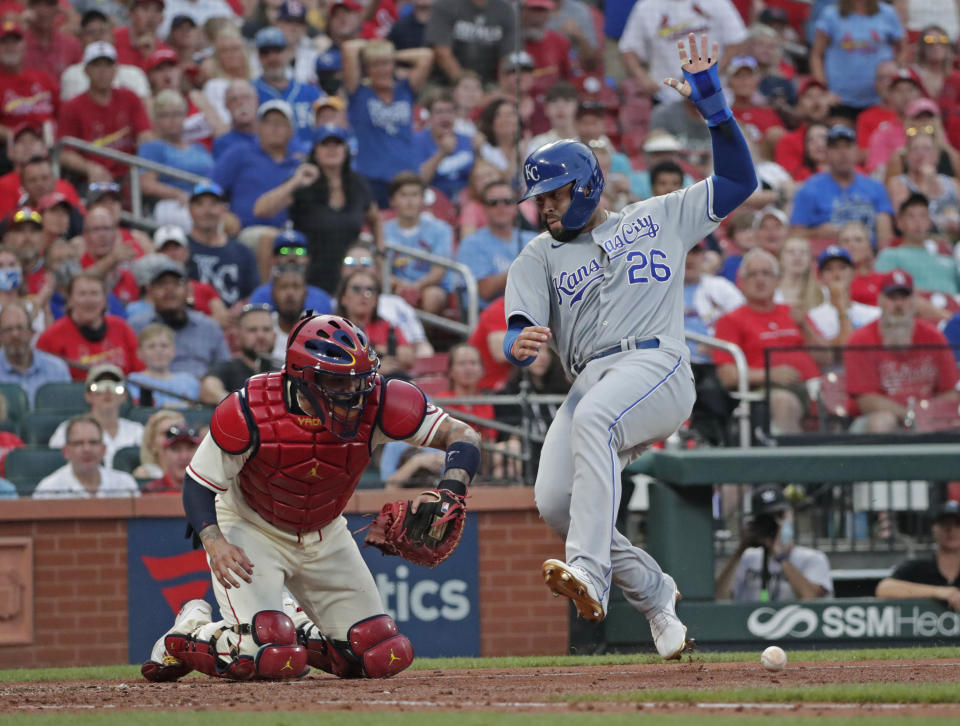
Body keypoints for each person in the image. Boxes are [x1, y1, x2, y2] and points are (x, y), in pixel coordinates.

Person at [502, 34, 757, 657]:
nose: (546, 209)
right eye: (540, 199)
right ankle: (655, 594)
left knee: (594, 422)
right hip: (591, 377)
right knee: (556, 502)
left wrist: (714, 108)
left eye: (556, 194)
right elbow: (516, 328)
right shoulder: (536, 257)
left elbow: (738, 180)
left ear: (587, 185)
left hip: (657, 362)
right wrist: (519, 343)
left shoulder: (657, 216)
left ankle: (589, 570)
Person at [140, 312, 482, 682]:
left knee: (380, 652)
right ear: (303, 378)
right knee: (265, 654)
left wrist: (452, 492)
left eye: (359, 381)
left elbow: (463, 434)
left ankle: (299, 630)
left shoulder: (380, 400)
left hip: (325, 531)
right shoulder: (250, 407)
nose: (352, 393)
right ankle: (189, 630)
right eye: (337, 382)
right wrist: (214, 541)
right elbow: (198, 483)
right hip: (251, 526)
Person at [256, 124, 381, 295]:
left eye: (337, 144)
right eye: (325, 144)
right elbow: (261, 210)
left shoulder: (357, 184)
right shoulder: (304, 182)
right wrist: (296, 181)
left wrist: (380, 253)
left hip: (348, 277)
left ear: (345, 149)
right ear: (315, 150)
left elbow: (375, 218)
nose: (331, 149)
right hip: (310, 276)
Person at [713, 249, 821, 435]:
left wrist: (805, 327)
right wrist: (769, 375)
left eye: (766, 273)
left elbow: (826, 358)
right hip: (767, 393)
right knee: (785, 403)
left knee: (839, 400)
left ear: (777, 280)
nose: (760, 279)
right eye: (752, 274)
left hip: (813, 387)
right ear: (741, 283)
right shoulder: (730, 320)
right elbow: (728, 376)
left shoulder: (793, 313)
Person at [843, 269, 959, 433]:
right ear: (880, 300)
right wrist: (910, 416)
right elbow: (866, 400)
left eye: (904, 297)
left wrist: (925, 415)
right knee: (882, 421)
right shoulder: (860, 340)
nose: (898, 304)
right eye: (892, 298)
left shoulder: (933, 337)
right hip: (874, 420)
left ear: (913, 301)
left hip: (929, 420)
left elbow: (950, 392)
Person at [342, 38, 433, 207]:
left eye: (386, 64)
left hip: (406, 178)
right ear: (367, 69)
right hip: (371, 178)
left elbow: (426, 56)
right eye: (375, 65)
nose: (382, 70)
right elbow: (349, 47)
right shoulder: (358, 94)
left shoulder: (405, 90)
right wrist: (375, 49)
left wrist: (388, 54)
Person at [715, 485, 834, 601]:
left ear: (790, 515)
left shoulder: (813, 558)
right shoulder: (747, 558)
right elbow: (720, 597)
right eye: (767, 518)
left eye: (780, 515)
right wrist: (739, 551)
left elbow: (810, 597)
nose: (776, 523)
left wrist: (782, 558)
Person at [58, 42, 153, 183]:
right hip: (91, 178)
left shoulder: (130, 98)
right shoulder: (73, 107)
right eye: (96, 65)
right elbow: (65, 153)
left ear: (116, 70)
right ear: (86, 70)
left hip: (129, 174)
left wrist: (144, 160)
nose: (102, 71)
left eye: (108, 65)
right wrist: (89, 167)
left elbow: (145, 135)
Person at [619, 0, 747, 105]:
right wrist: (642, 76)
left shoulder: (716, 2)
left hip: (715, 94)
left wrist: (711, 73)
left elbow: (736, 41)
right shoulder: (646, 7)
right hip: (667, 96)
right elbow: (628, 49)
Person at [789, 124, 894, 248]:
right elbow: (794, 235)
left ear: (856, 151)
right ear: (826, 153)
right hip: (827, 260)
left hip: (868, 256)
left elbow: (885, 237)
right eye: (836, 147)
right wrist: (817, 233)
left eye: (848, 146)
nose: (842, 153)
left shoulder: (876, 188)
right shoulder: (809, 190)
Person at [128, 256, 230, 379]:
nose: (169, 290)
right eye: (161, 284)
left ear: (188, 290)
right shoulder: (136, 326)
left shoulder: (209, 327)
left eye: (177, 283)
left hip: (200, 393)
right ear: (150, 291)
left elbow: (225, 370)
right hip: (151, 391)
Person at [213, 99, 303, 237]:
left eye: (281, 123)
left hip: (290, 236)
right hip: (246, 232)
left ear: (291, 130)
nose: (274, 128)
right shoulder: (240, 153)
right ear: (258, 127)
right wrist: (223, 213)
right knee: (267, 238)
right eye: (268, 122)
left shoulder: (298, 164)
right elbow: (210, 187)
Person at [35, 273, 143, 380]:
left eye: (94, 294)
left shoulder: (121, 328)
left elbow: (140, 371)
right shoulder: (51, 336)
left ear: (105, 300)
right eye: (82, 294)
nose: (89, 300)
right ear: (70, 300)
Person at [809, 0, 905, 112]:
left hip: (879, 101)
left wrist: (893, 74)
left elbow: (902, 49)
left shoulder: (888, 13)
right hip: (839, 99)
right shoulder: (831, 14)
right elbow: (816, 55)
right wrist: (823, 90)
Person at [48, 364, 146, 468]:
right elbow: (56, 466)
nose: (107, 391)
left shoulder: (138, 431)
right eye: (99, 387)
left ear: (124, 396)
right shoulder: (67, 430)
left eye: (115, 387)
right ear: (88, 395)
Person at [383, 172, 453, 315]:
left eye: (415, 195)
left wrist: (415, 286)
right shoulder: (382, 231)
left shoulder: (441, 229)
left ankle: (421, 337)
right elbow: (378, 269)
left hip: (430, 287)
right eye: (403, 195)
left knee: (432, 296)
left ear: (422, 200)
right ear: (392, 201)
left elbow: (439, 270)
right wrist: (399, 285)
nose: (409, 201)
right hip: (393, 286)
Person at [457, 180, 535, 310]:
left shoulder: (532, 239)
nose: (500, 207)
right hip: (490, 314)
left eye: (507, 201)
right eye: (493, 203)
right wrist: (523, 267)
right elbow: (485, 291)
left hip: (532, 312)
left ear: (516, 206)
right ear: (484, 208)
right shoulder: (472, 244)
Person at [875, 499, 960, 610]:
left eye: (958, 524)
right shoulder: (919, 567)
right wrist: (939, 592)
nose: (951, 530)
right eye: (945, 524)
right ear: (934, 529)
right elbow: (884, 589)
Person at [186, 182, 260, 307]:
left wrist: (241, 308)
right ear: (190, 209)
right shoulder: (179, 247)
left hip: (236, 322)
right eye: (199, 204)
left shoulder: (242, 252)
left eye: (213, 204)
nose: (207, 211)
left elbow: (253, 293)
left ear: (224, 209)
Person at [33, 414, 140, 499]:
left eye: (93, 442)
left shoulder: (125, 484)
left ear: (103, 450)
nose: (87, 449)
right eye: (78, 443)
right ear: (66, 452)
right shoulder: (48, 490)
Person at [251, 26, 320, 151]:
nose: (272, 58)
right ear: (258, 57)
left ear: (288, 52)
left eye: (277, 50)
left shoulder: (310, 91)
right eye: (265, 52)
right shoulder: (249, 92)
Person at [335, 269, 413, 379]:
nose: (364, 295)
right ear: (343, 298)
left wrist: (374, 353)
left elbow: (407, 358)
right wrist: (376, 364)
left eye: (370, 290)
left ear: (376, 300)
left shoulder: (387, 326)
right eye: (356, 289)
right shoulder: (334, 327)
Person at [199, 303, 277, 405]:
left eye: (266, 329)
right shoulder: (226, 368)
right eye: (252, 330)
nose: (260, 335)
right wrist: (239, 404)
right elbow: (208, 389)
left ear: (275, 336)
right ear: (238, 337)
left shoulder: (284, 371)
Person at [425, 0, 516, 85]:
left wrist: (502, 91)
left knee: (507, 101)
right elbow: (442, 52)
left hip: (488, 84)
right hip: (444, 83)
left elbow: (506, 58)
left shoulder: (505, 10)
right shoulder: (446, 4)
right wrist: (466, 86)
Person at [807, 245, 880, 346]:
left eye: (842, 267)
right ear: (820, 277)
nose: (836, 274)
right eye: (829, 269)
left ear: (853, 273)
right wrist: (841, 306)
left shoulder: (874, 314)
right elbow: (840, 349)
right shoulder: (812, 317)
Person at [0, 300, 70, 405]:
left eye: (20, 328)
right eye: (8, 329)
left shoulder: (57, 369)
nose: (15, 335)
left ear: (32, 332)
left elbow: (68, 410)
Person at [247, 230, 333, 314]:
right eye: (284, 251)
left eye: (299, 251)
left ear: (308, 259)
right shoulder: (260, 296)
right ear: (273, 259)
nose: (292, 257)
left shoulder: (322, 298)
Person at [0, 20, 57, 141]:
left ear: (24, 45)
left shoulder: (44, 78)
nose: (10, 47)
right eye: (4, 42)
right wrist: (17, 136)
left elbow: (62, 114)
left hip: (50, 144)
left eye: (15, 42)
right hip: (12, 149)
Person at [414, 88, 474, 201]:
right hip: (431, 201)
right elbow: (418, 182)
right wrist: (442, 153)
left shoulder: (468, 140)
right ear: (430, 116)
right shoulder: (417, 140)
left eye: (449, 111)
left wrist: (480, 152)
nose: (445, 117)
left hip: (465, 200)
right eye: (439, 112)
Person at [127, 323, 202, 407]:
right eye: (151, 346)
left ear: (174, 351)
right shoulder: (132, 381)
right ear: (139, 353)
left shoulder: (190, 381)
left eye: (164, 346)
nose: (158, 351)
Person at [142, 424, 202, 494]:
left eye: (190, 448)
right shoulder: (152, 491)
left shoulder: (212, 491)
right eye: (176, 449)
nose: (184, 456)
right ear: (164, 453)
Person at [268, 265, 309, 361]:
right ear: (273, 293)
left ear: (305, 293)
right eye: (283, 287)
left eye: (296, 287)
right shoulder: (264, 328)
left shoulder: (319, 327)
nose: (290, 293)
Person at [133, 409, 187, 480]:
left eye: (178, 432)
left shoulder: (197, 472)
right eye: (166, 433)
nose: (173, 438)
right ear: (152, 445)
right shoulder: (145, 474)